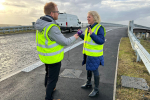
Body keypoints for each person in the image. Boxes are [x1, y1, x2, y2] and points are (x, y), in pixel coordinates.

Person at [35, 2, 79, 100]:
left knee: (48, 74)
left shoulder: (41, 25)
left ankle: (49, 89)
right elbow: (65, 42)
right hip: (53, 58)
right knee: (53, 79)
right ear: (52, 13)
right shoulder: (51, 27)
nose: (58, 13)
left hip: (45, 56)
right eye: (57, 11)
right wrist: (76, 36)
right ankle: (48, 97)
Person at [79, 11, 106, 97]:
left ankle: (96, 89)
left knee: (95, 70)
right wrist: (80, 34)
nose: (87, 18)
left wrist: (92, 34)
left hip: (95, 54)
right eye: (87, 17)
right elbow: (87, 39)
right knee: (89, 68)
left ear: (94, 18)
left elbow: (101, 41)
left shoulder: (99, 28)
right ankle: (88, 83)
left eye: (89, 17)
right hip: (88, 53)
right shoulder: (88, 28)